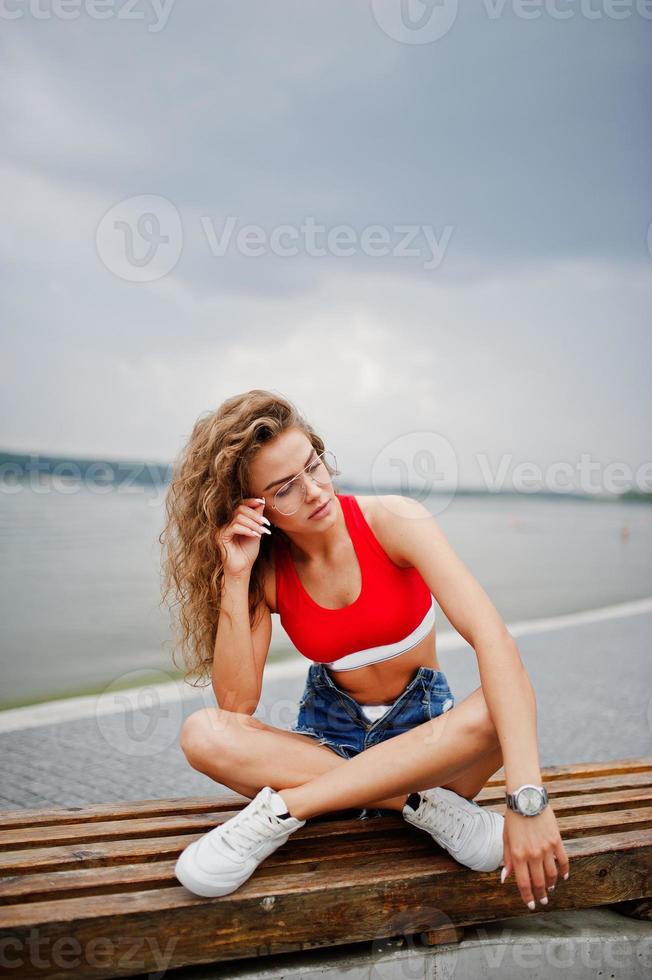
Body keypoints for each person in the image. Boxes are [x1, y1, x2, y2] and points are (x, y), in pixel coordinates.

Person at [160, 389, 569, 908]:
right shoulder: (265, 572)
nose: (313, 491)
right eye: (285, 488)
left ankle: (288, 808)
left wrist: (527, 804)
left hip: (427, 748)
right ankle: (420, 808)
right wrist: (236, 578)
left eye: (314, 465)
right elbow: (237, 706)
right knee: (203, 732)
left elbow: (494, 640)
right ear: (250, 505)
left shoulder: (395, 521)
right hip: (332, 745)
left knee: (502, 699)